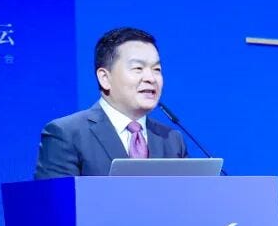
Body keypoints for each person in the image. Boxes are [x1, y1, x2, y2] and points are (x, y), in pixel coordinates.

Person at [33, 27, 187, 178]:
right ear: (105, 78)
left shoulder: (172, 140)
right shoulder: (67, 134)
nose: (151, 78)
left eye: (157, 69)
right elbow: (57, 195)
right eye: (138, 68)